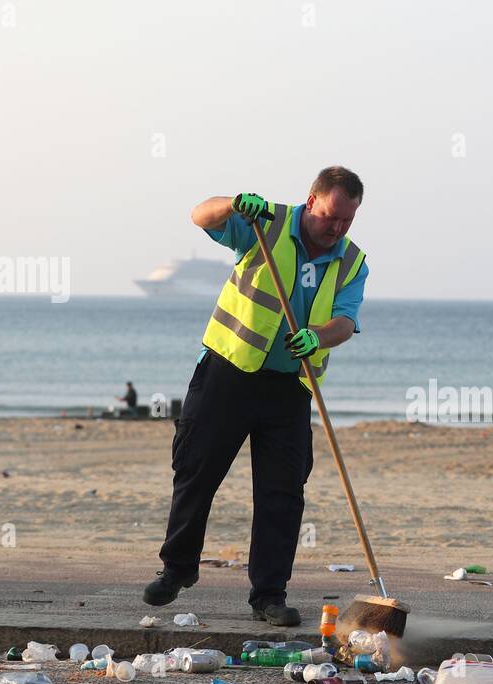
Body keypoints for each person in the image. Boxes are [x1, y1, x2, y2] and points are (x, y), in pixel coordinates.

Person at [142, 166, 369, 626]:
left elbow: (345, 322)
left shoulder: (352, 261)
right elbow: (199, 216)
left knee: (282, 493)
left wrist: (317, 337)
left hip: (289, 387)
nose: (337, 228)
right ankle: (176, 570)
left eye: (347, 220)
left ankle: (269, 594)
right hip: (228, 372)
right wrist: (233, 203)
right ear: (311, 202)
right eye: (330, 217)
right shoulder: (266, 224)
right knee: (195, 470)